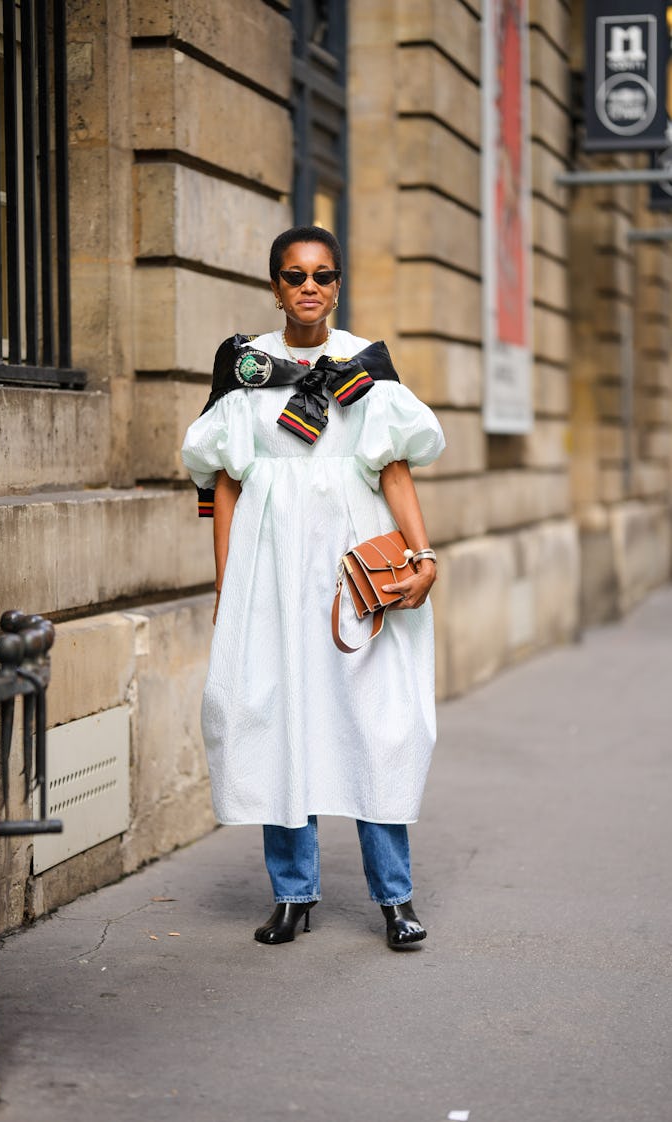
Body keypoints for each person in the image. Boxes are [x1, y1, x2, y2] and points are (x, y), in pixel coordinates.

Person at [182, 225, 445, 950]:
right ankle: (293, 894)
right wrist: (226, 584)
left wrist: (422, 554)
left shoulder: (365, 367)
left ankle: (395, 898)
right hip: (269, 567)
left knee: (373, 720)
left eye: (323, 276)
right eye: (294, 276)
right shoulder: (247, 371)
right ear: (274, 287)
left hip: (350, 567)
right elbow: (226, 483)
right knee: (279, 716)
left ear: (337, 286)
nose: (309, 288)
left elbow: (394, 471)